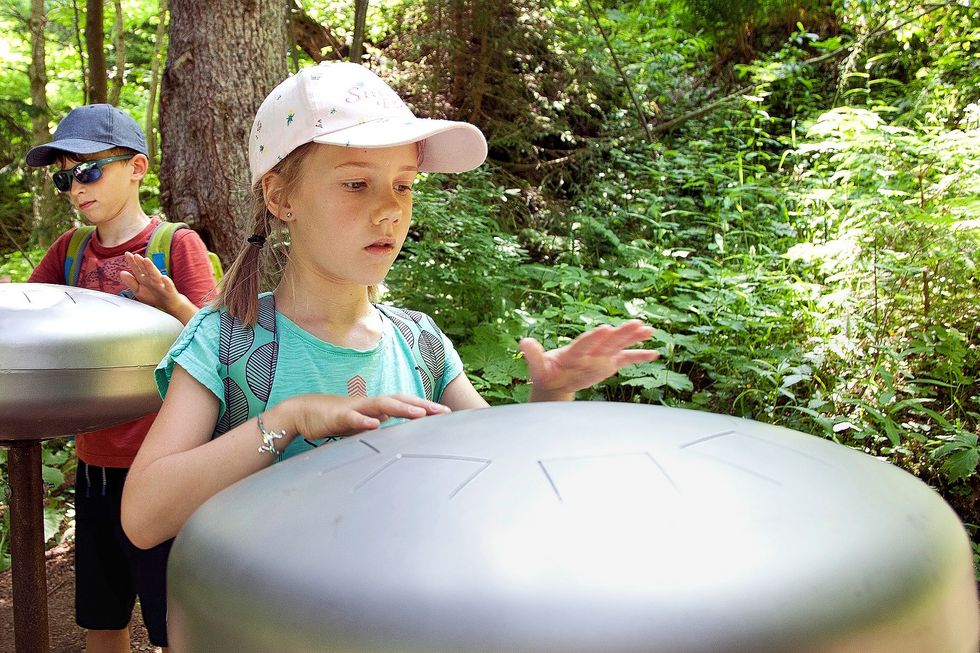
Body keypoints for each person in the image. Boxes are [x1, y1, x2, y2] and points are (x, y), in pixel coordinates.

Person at [120, 61, 659, 553]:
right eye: (357, 183)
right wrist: (288, 418)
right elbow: (144, 517)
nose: (388, 211)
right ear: (281, 198)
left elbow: (501, 472)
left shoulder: (420, 344)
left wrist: (551, 395)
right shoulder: (225, 341)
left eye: (403, 185)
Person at [24, 103, 217, 653]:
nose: (74, 188)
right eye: (64, 177)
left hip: (168, 465)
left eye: (88, 170)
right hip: (97, 468)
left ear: (137, 167)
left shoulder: (175, 245)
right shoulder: (69, 251)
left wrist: (172, 301)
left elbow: (224, 346)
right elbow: (26, 314)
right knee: (101, 618)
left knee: (173, 625)